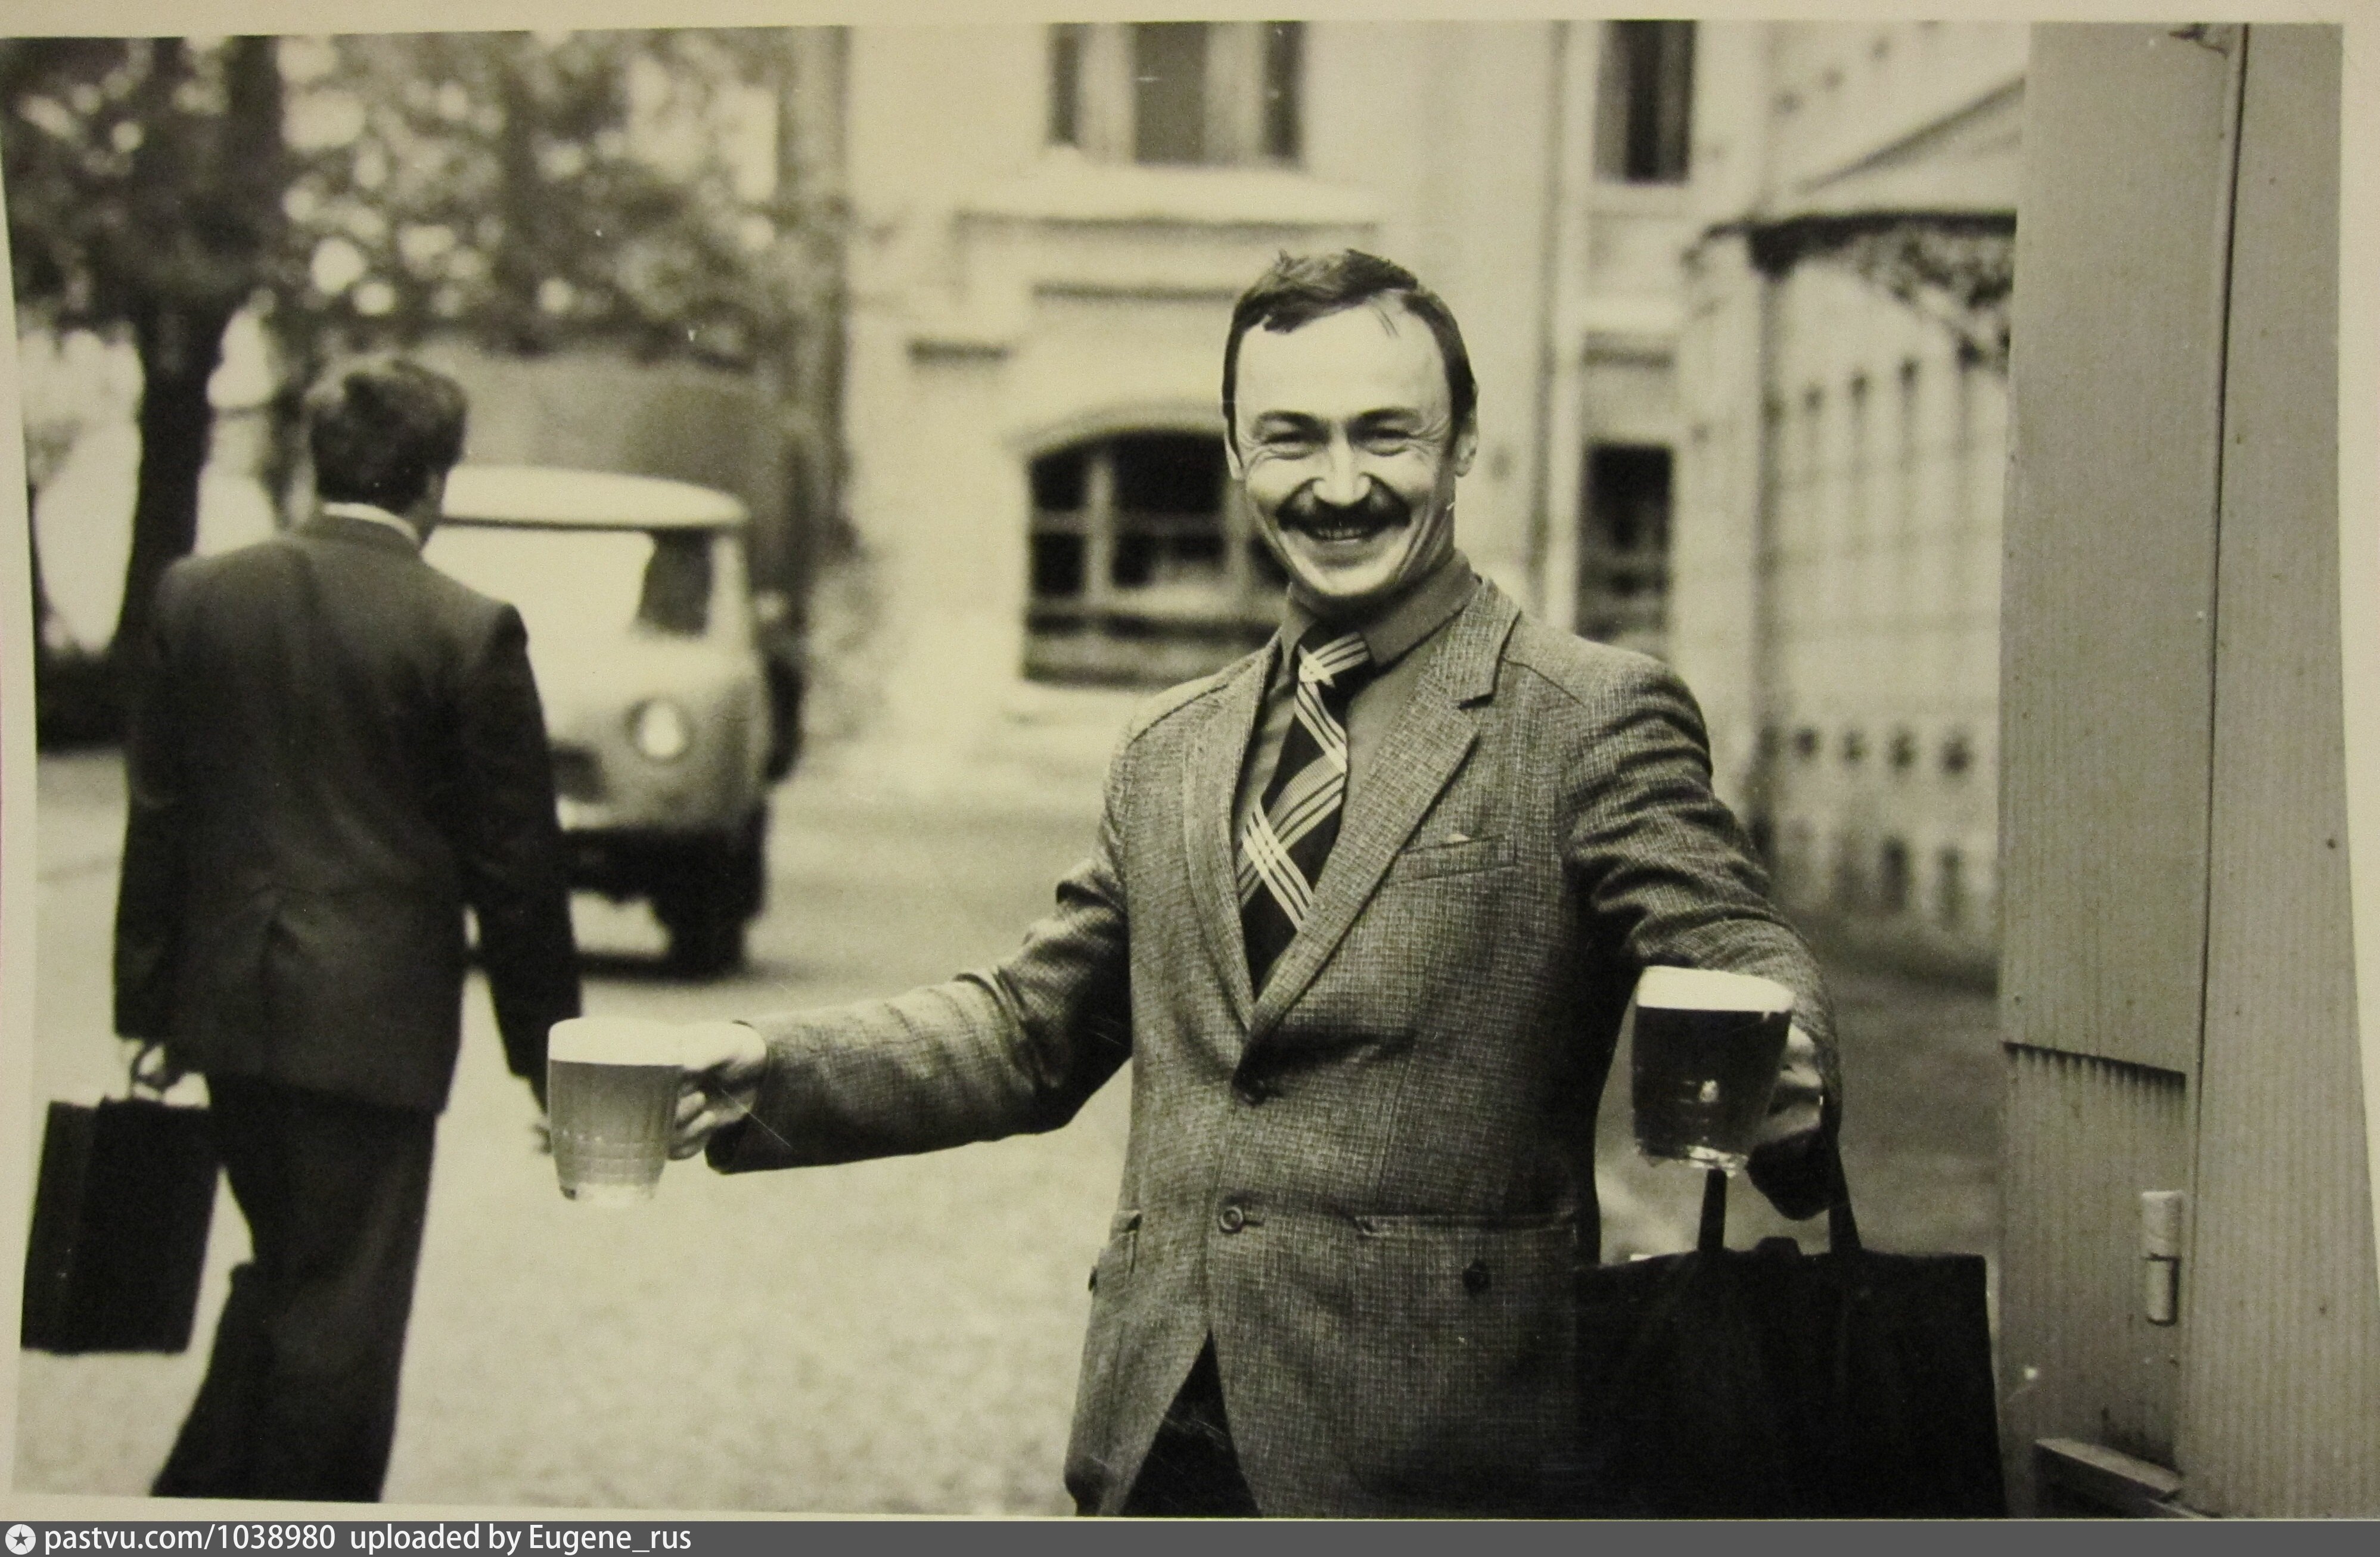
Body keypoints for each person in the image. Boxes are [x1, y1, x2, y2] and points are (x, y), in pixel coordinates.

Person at [667, 250, 1840, 1517]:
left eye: (1384, 434)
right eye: (1290, 437)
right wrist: (766, 1066)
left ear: (1461, 444)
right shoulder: (1170, 745)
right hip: (1157, 1435)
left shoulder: (1586, 715)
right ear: (1236, 453)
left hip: (1441, 1459)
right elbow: (1027, 1030)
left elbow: (1733, 941)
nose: (1337, 484)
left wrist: (1784, 1063)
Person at [113, 355, 582, 1502]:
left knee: (288, 1275)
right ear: (434, 479)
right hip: (372, 1037)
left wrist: (148, 1007)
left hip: (229, 1014)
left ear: (321, 463)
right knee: (342, 1321)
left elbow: (160, 816)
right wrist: (554, 1063)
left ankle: (190, 1510)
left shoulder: (197, 596)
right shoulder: (467, 629)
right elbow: (517, 873)